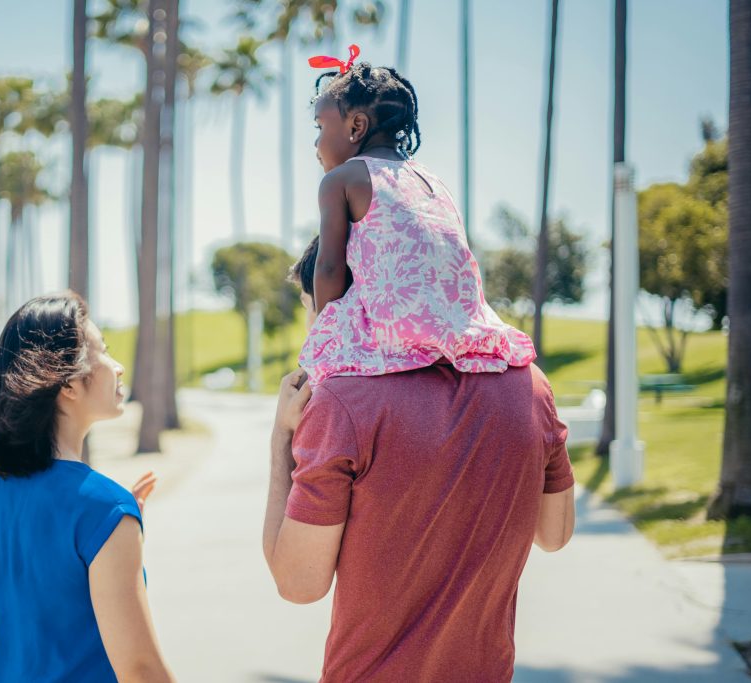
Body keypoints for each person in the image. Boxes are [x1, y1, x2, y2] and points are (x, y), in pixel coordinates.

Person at [260, 239, 576, 682]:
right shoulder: (531, 386)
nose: (312, 328)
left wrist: (281, 438)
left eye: (309, 309)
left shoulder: (341, 403)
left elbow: (298, 583)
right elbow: (554, 533)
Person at [0, 291, 175, 683]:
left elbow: (48, 593)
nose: (117, 367)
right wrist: (111, 521)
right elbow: (141, 671)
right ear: (68, 383)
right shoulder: (103, 510)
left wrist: (112, 529)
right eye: (103, 352)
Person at [300, 47, 536, 388]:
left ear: (357, 127)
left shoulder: (342, 180)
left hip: (396, 332)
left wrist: (323, 339)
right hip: (458, 328)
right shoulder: (430, 179)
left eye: (320, 127)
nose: (316, 142)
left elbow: (329, 269)